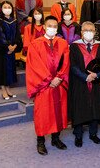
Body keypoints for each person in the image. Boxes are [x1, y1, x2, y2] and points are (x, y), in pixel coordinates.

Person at [26, 15, 70, 156]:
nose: (52, 28)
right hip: (44, 86)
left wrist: (59, 77)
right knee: (43, 114)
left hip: (59, 84)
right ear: (44, 26)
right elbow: (34, 66)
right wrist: (49, 79)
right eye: (49, 26)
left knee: (59, 112)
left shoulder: (62, 43)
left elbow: (66, 63)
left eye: (54, 26)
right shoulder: (35, 44)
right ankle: (40, 142)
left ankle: (55, 139)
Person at [68, 22, 100, 148]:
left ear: (95, 31)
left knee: (95, 107)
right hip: (80, 82)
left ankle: (93, 133)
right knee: (79, 107)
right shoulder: (74, 46)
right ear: (81, 32)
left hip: (95, 82)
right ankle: (78, 134)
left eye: (91, 30)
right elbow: (73, 66)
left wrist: (97, 75)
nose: (88, 32)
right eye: (86, 30)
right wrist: (85, 77)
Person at [0, 1, 22, 100]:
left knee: (9, 71)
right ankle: (3, 90)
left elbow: (17, 35)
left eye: (9, 7)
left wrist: (15, 46)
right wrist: (7, 46)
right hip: (1, 52)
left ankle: (8, 89)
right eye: (5, 7)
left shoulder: (14, 21)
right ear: (1, 8)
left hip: (11, 51)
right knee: (1, 70)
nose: (7, 8)